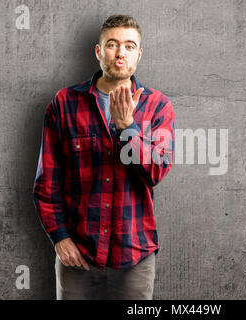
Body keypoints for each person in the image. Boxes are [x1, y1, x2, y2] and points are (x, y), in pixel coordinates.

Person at [33, 14, 175, 300]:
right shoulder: (64, 103)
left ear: (139, 54)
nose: (120, 52)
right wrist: (60, 237)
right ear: (98, 52)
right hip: (78, 258)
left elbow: (156, 172)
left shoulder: (158, 106)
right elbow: (47, 182)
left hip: (135, 257)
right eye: (112, 44)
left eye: (129, 46)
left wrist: (128, 128)